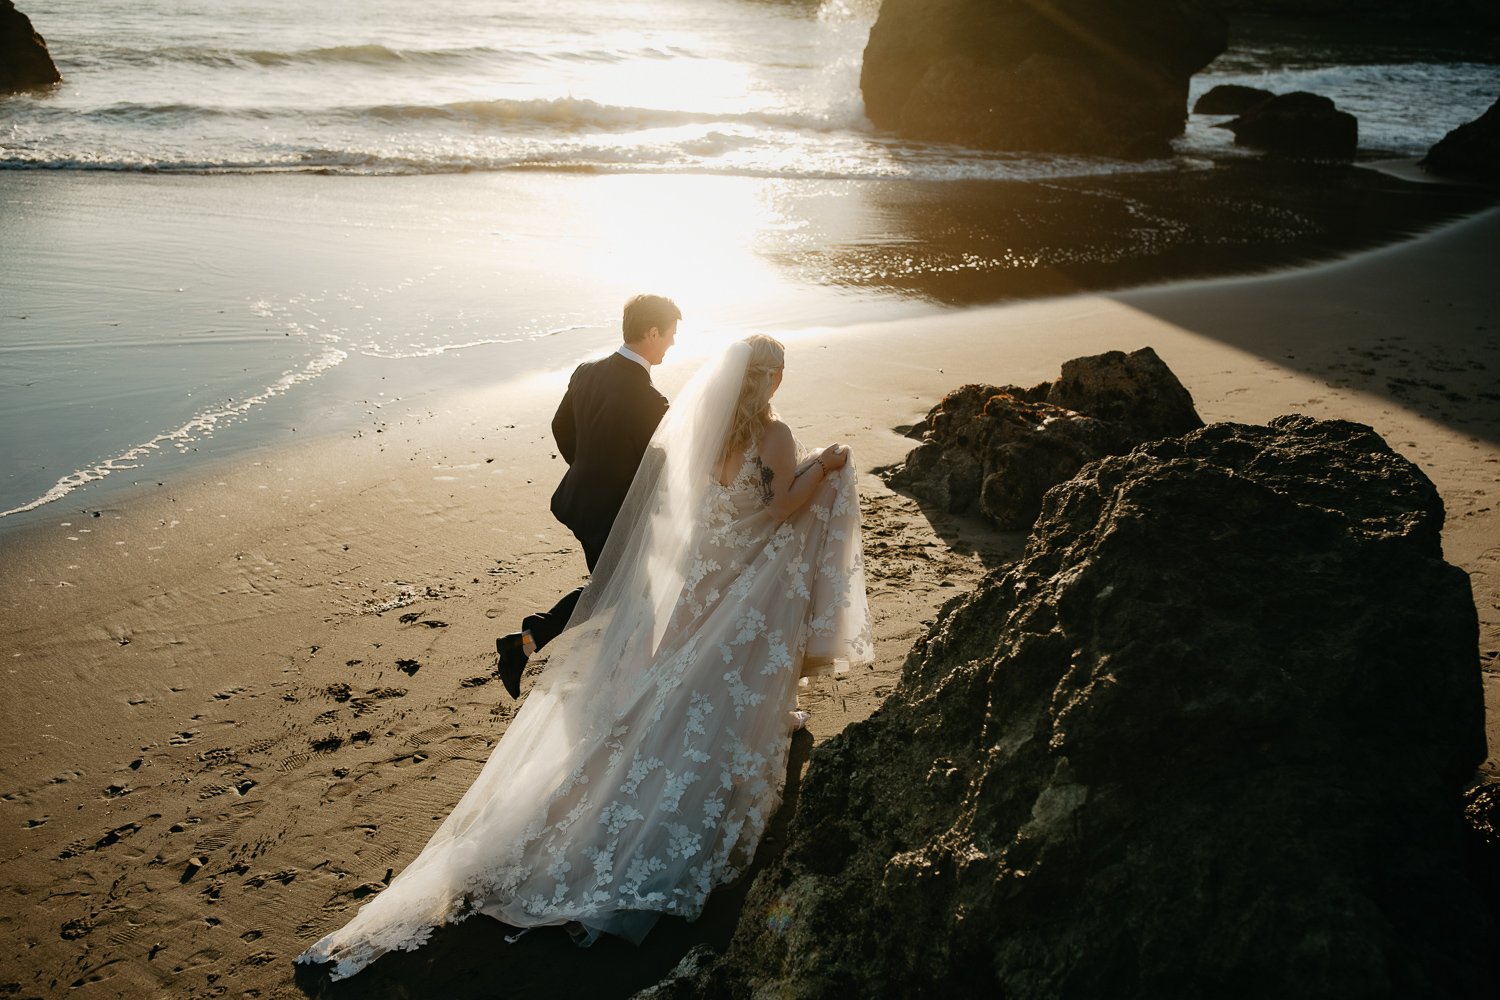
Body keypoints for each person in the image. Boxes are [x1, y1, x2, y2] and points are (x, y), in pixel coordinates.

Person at [296, 335, 872, 980]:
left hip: (699, 571)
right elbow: (782, 507)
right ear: (773, 379)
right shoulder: (776, 433)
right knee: (712, 674)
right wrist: (824, 465)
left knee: (674, 676)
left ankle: (579, 757)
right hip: (734, 573)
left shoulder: (704, 428)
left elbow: (692, 498)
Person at [495, 294, 681, 698]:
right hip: (615, 516)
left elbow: (561, 426)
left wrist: (589, 469)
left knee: (615, 592)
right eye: (669, 335)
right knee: (617, 594)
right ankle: (527, 643)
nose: (671, 343)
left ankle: (538, 647)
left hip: (582, 504)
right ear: (652, 333)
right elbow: (661, 466)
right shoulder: (650, 401)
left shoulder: (587, 372)